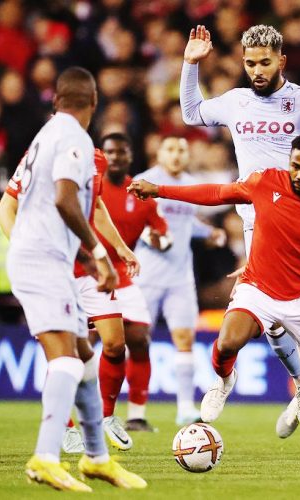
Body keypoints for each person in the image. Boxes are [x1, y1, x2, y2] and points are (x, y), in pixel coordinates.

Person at [129, 133, 300, 470]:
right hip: (258, 289)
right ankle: (224, 381)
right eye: (295, 166)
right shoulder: (265, 182)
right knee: (226, 343)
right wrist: (159, 190)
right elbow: (217, 194)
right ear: (288, 162)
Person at [180, 24, 300, 430]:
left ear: (281, 61)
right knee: (271, 316)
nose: (257, 70)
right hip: (260, 223)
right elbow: (191, 112)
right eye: (250, 63)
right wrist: (190, 65)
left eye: (264, 62)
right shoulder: (235, 102)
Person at [4, 66, 145, 491]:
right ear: (94, 101)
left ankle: (96, 458)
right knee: (65, 360)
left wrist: (86, 255)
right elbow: (67, 199)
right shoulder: (74, 139)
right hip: (43, 260)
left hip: (46, 257)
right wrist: (99, 253)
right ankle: (45, 457)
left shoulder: (45, 136)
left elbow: (35, 205)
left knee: (84, 356)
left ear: (56, 100)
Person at [0, 146, 140, 453]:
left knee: (115, 344)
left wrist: (120, 248)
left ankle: (106, 417)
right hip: (53, 268)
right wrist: (27, 248)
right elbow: (4, 209)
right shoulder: (36, 156)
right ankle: (65, 424)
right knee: (65, 352)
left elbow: (97, 208)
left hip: (87, 266)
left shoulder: (96, 157)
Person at [133, 136, 226, 426]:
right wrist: (150, 238)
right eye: (170, 149)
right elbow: (128, 221)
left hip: (180, 279)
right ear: (158, 153)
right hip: (146, 276)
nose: (175, 155)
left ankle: (185, 407)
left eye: (181, 150)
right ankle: (136, 409)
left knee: (185, 340)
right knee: (136, 342)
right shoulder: (144, 181)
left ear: (187, 156)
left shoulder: (189, 183)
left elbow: (186, 222)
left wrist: (208, 232)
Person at [99, 132, 171, 433]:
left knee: (139, 339)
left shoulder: (139, 193)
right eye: (109, 152)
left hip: (124, 277)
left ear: (130, 157)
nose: (115, 157)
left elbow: (163, 236)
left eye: (121, 152)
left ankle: (137, 416)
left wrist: (159, 241)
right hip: (88, 272)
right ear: (102, 156)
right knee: (90, 346)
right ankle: (93, 414)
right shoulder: (92, 186)